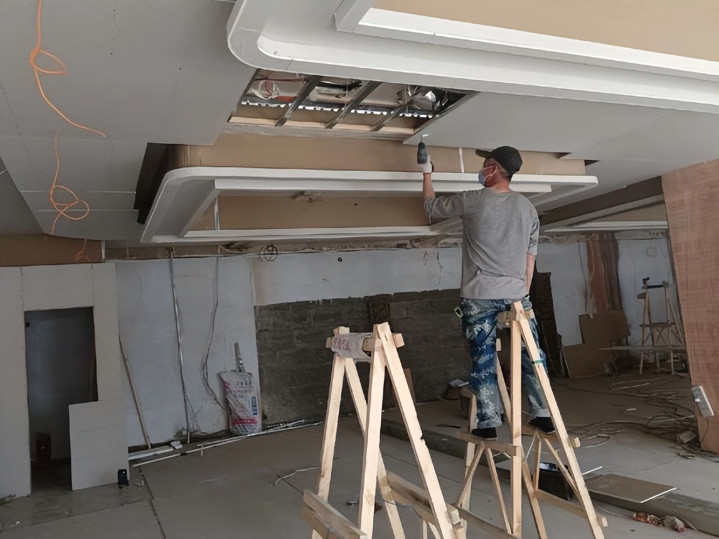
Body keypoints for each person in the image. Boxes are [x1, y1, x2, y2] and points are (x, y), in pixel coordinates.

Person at [421, 145, 554, 441]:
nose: (482, 170)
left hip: (479, 296)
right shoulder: (528, 208)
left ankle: (489, 422)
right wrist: (522, 294)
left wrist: (427, 173)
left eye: (485, 165)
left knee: (483, 358)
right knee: (531, 355)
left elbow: (431, 209)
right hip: (517, 294)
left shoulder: (473, 200)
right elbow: (530, 258)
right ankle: (543, 414)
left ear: (493, 169)